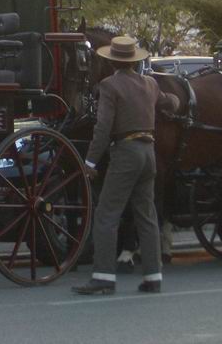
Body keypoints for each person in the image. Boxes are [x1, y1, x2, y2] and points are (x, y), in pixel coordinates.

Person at [72, 36, 179, 296]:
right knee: (147, 215)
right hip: (148, 153)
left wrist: (89, 161)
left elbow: (103, 128)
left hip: (125, 153)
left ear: (110, 62)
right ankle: (154, 276)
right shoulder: (150, 84)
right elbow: (172, 101)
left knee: (107, 214)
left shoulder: (109, 86)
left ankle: (103, 277)